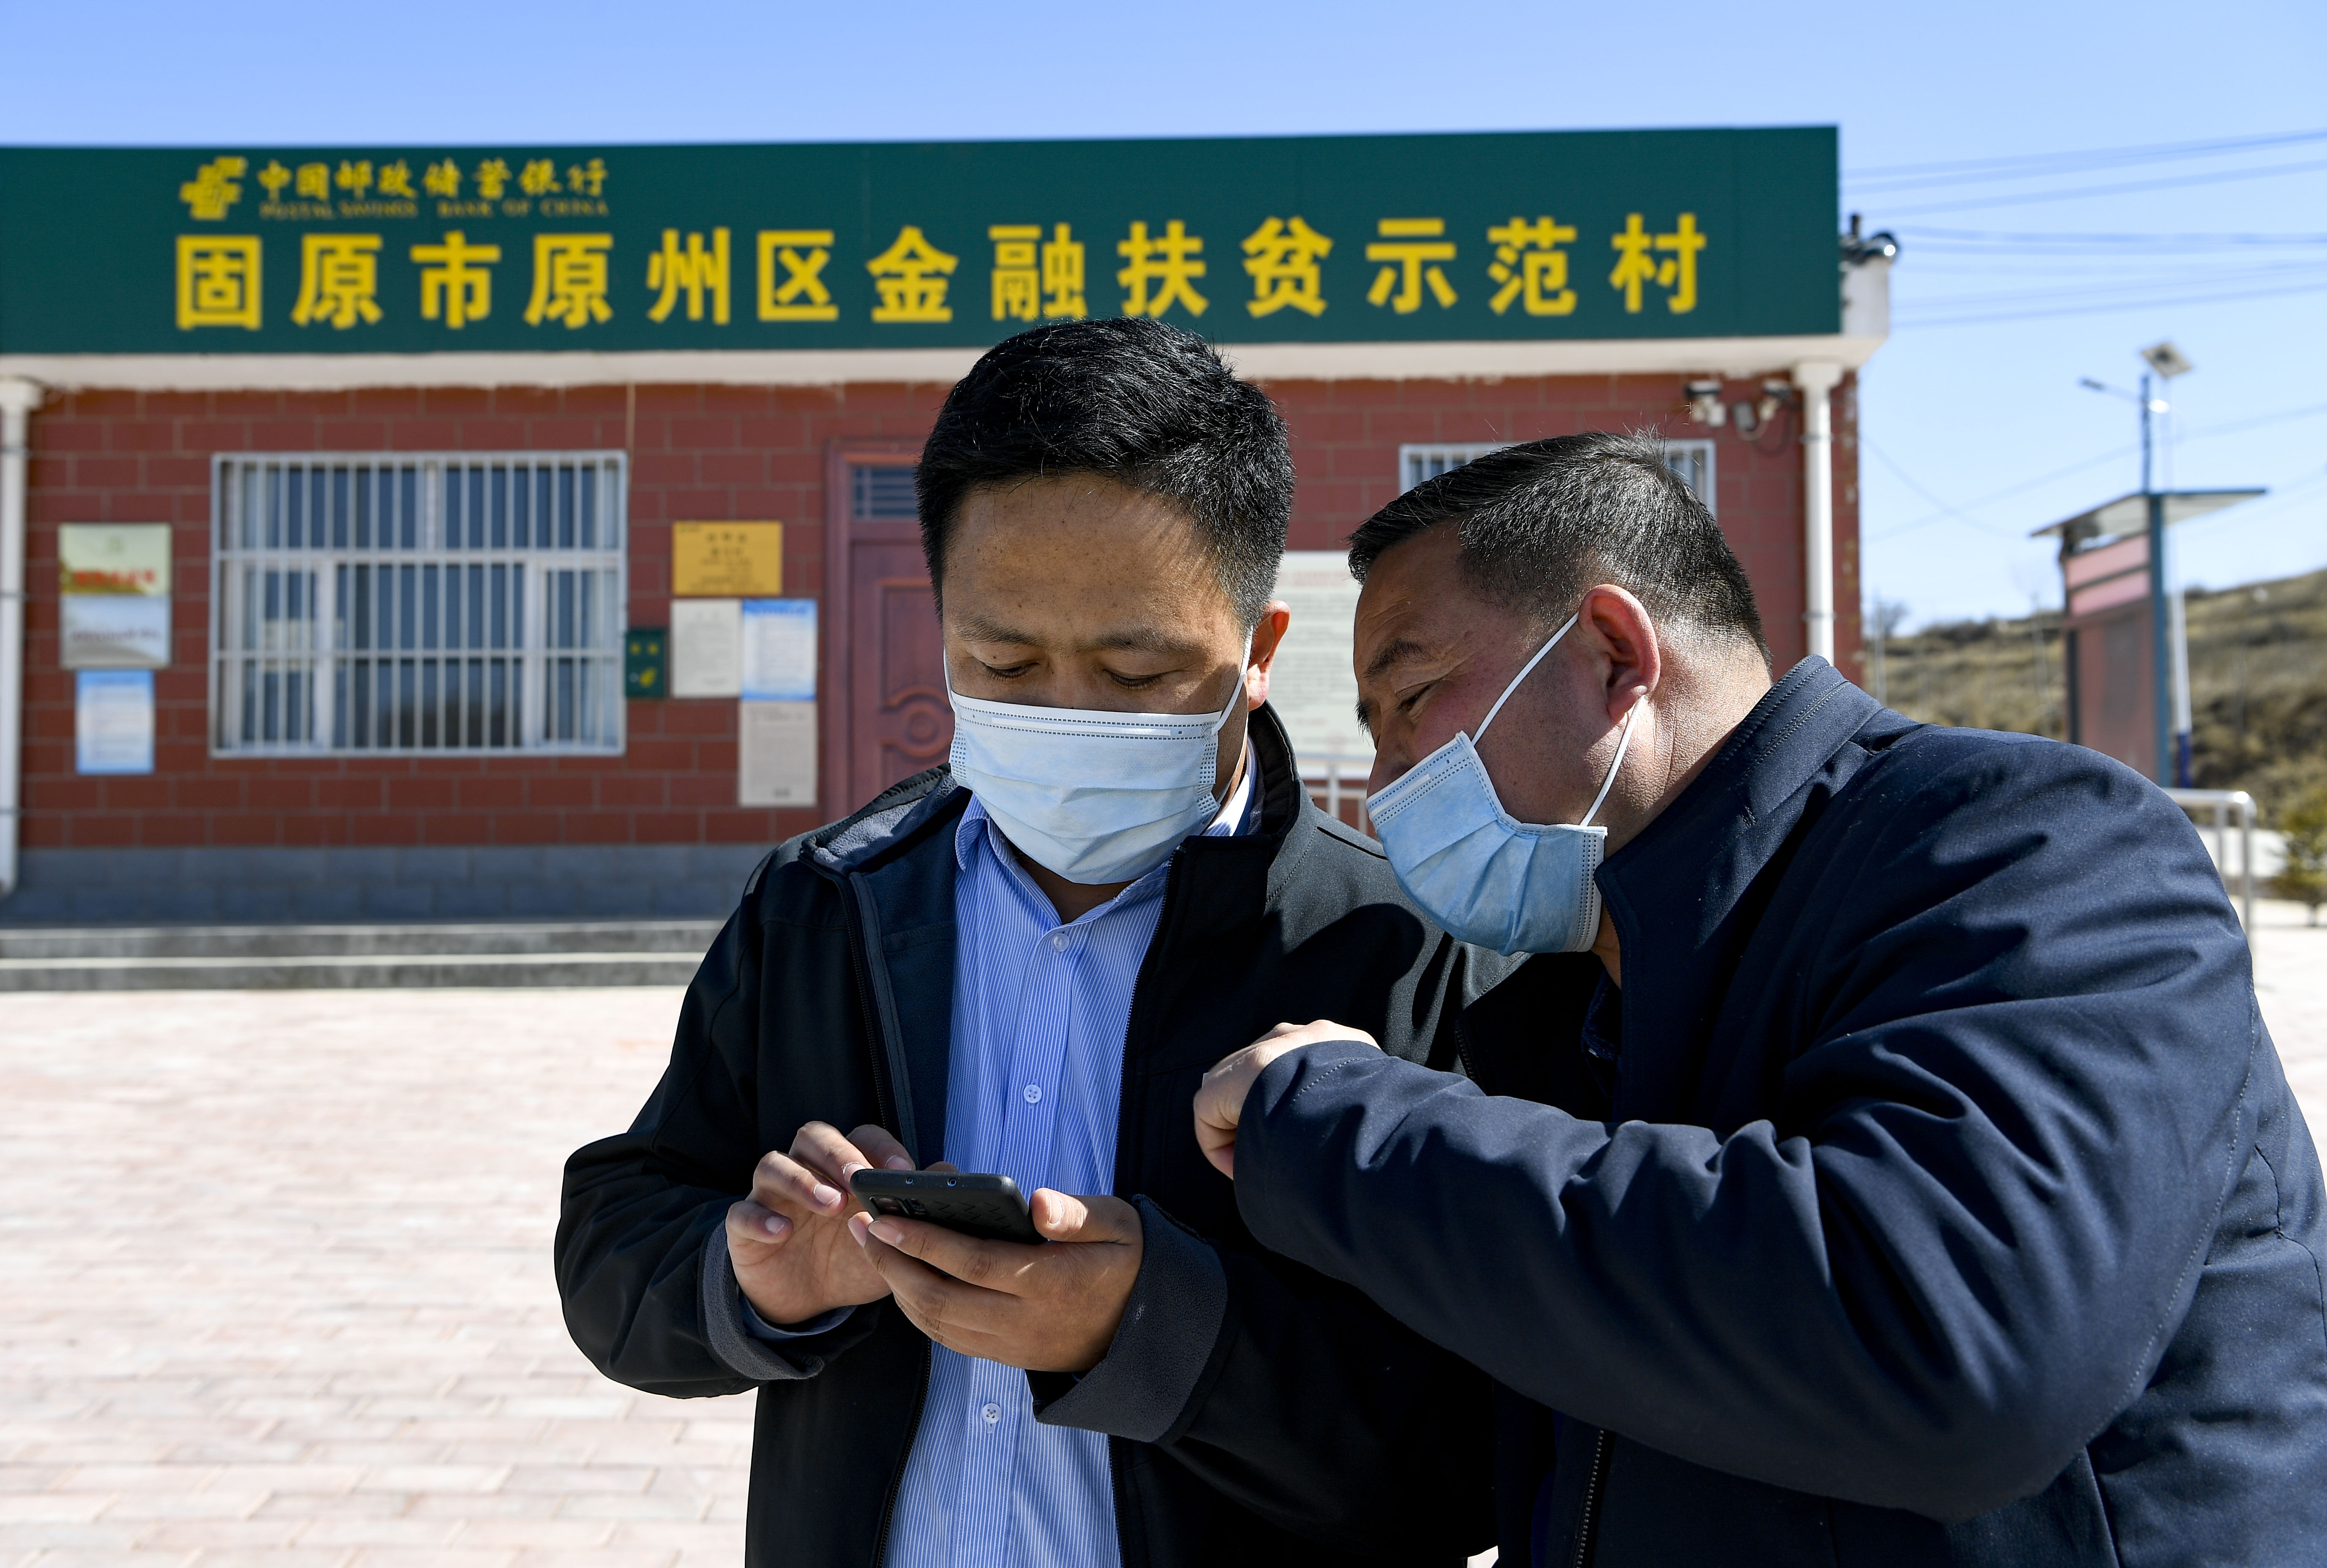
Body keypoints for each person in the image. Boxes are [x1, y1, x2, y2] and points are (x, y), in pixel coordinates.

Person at [1193, 431, 2327, 1567]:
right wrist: (1147, 1325)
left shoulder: (2025, 849)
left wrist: (1341, 1124)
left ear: (1610, 653)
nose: (1387, 789)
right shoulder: (1569, 999)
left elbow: (1942, 1343)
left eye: (1412, 697)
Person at [556, 319, 1496, 1568]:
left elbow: (1484, 1442)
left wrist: (1156, 1331)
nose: (1066, 714)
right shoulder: (826, 907)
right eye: (1001, 660)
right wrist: (760, 1282)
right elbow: (618, 1249)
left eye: (1136, 671)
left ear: (1258, 656)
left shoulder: (1401, 948)